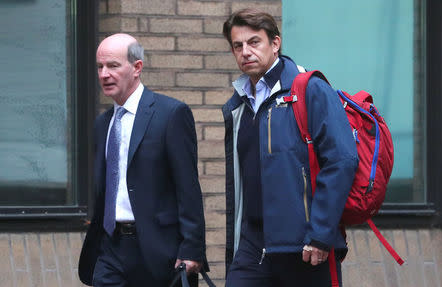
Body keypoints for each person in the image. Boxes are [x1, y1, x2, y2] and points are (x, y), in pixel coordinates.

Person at [221, 9, 358, 287]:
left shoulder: (309, 89)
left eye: (254, 42)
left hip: (304, 248)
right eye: (238, 46)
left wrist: (320, 235)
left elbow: (342, 160)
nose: (245, 52)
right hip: (253, 246)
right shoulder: (238, 105)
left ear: (275, 43)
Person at [78, 33, 207, 287]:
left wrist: (192, 248)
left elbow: (187, 187)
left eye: (113, 66)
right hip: (110, 249)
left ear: (137, 67)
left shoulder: (170, 114)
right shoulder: (103, 123)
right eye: (100, 67)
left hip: (158, 250)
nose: (104, 74)